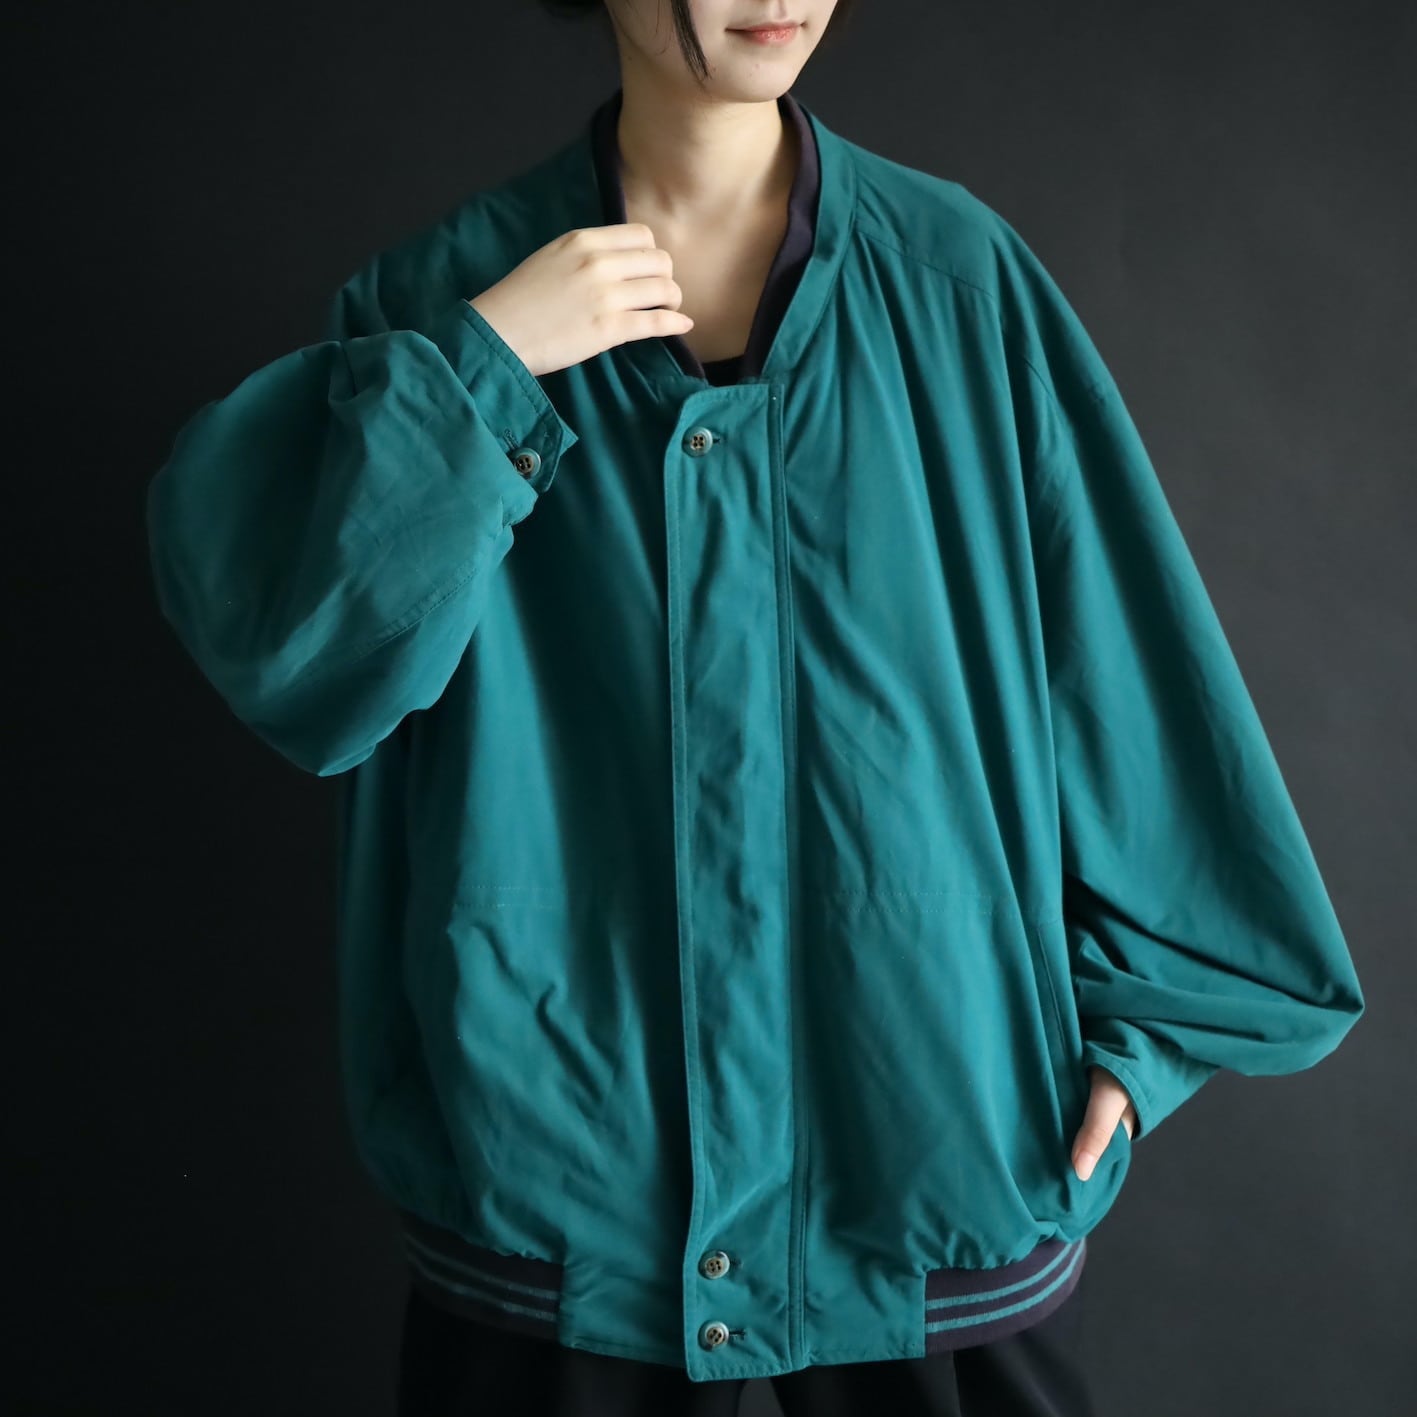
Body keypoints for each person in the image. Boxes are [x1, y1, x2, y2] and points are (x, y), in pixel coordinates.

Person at [143, 2, 1366, 1414]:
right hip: (561, 1165)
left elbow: (1123, 664)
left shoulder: (961, 281)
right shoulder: (435, 302)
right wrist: (481, 370)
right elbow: (301, 661)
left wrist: (1142, 1038)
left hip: (927, 1142)